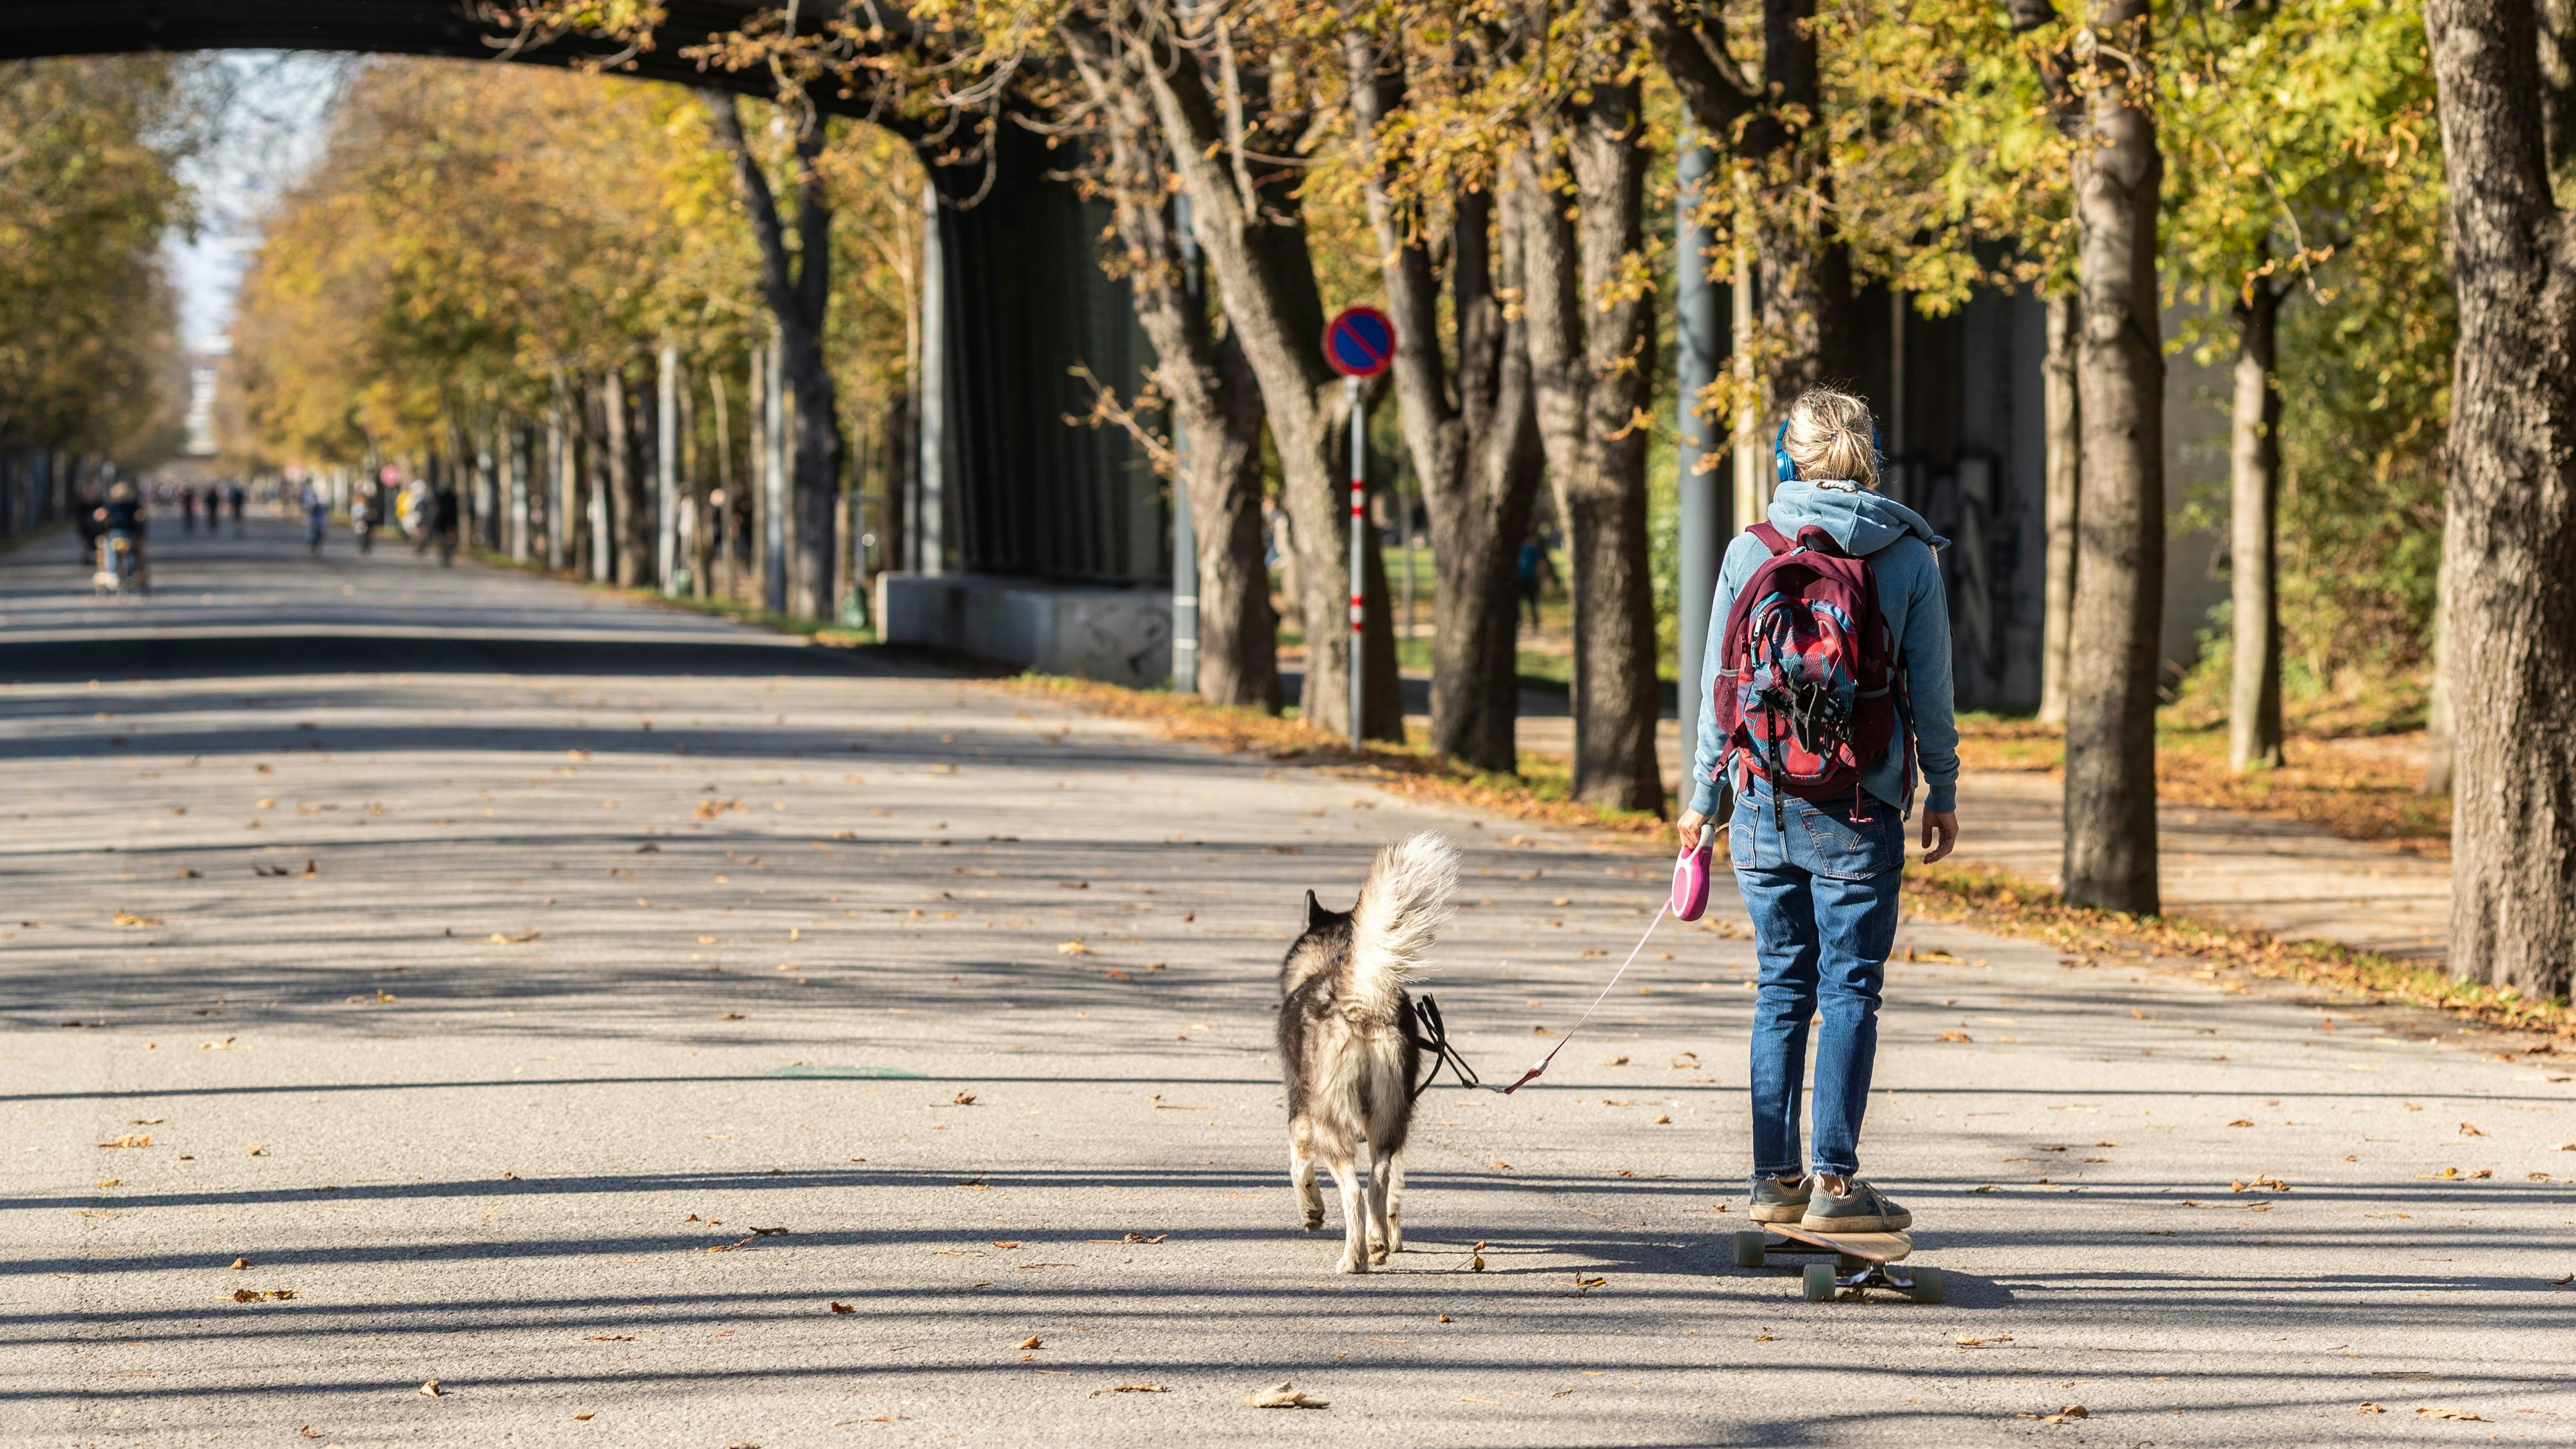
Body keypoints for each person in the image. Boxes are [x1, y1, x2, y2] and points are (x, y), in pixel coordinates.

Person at [1674, 386, 1960, 1237]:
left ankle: (1774, 1178)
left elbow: (1718, 688)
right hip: (1861, 806)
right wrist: (1942, 787)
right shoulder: (1906, 555)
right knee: (1851, 990)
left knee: (1780, 989)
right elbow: (1933, 694)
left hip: (1761, 798)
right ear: (1870, 456)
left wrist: (1703, 799)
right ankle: (1836, 1181)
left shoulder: (1749, 549)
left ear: (1785, 456)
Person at [1515, 532, 1556, 630]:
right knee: (1529, 601)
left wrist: (1541, 577)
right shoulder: (1529, 548)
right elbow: (1541, 564)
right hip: (1525, 578)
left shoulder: (1529, 549)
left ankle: (1532, 622)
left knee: (1530, 601)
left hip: (1527, 578)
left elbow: (1540, 564)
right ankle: (1526, 621)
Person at [301, 483, 329, 556]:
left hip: (319, 522)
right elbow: (309, 511)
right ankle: (312, 545)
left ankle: (316, 546)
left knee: (319, 535)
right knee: (312, 534)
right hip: (315, 521)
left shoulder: (321, 504)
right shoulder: (314, 504)